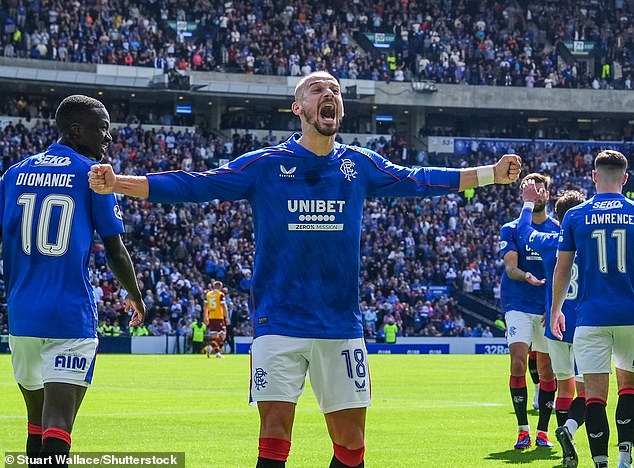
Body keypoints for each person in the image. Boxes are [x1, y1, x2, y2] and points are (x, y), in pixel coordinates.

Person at [89, 70, 522, 468]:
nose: (328, 94)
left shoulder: (360, 165)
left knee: (351, 446)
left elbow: (421, 179)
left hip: (340, 325)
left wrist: (490, 174)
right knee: (274, 435)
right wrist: (120, 183)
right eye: (317, 89)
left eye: (334, 90)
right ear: (298, 108)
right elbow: (196, 184)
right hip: (279, 321)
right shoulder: (266, 165)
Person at [1, 95, 145, 467]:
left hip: (21, 316)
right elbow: (115, 249)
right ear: (76, 129)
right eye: (102, 129)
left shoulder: (14, 175)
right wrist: (135, 295)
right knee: (58, 423)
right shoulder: (92, 175)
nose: (108, 139)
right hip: (69, 315)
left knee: (35, 424)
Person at [552, 150, 634, 468]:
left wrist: (557, 309)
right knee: (628, 388)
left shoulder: (574, 216)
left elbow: (562, 270)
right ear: (625, 179)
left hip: (590, 318)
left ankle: (600, 462)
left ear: (594, 177)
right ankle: (625, 458)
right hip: (630, 315)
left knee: (594, 395)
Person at [517, 181, 587, 467]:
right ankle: (569, 431)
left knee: (564, 388)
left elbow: (523, 233)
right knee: (587, 393)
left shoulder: (549, 243)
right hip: (586, 325)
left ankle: (563, 442)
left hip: (555, 326)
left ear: (559, 217)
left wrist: (526, 203)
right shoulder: (592, 243)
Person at [499, 172, 558, 450]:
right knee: (519, 362)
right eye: (531, 191)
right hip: (519, 303)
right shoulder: (510, 228)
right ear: (524, 195)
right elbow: (511, 268)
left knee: (547, 370)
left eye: (540, 190)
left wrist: (555, 305)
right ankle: (523, 429)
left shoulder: (558, 228)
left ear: (548, 194)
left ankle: (543, 431)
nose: (536, 195)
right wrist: (527, 277)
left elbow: (564, 271)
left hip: (545, 306)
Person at [204, 280, 229, 358]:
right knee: (223, 335)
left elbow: (205, 307)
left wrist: (205, 317)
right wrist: (227, 317)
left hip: (211, 317)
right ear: (220, 287)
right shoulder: (220, 294)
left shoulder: (208, 294)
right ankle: (210, 347)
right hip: (219, 317)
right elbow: (224, 306)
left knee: (215, 337)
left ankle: (217, 353)